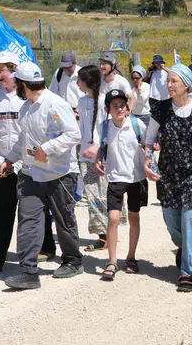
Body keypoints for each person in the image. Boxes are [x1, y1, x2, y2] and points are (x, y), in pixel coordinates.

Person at [0, 62, 84, 290]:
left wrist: (49, 148)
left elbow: (74, 134)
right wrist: (9, 159)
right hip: (30, 175)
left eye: (17, 83)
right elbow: (22, 140)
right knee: (28, 221)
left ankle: (73, 261)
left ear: (23, 85)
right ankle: (28, 272)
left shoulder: (56, 104)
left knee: (64, 221)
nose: (15, 86)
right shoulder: (26, 108)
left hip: (58, 175)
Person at [144, 64, 192, 292]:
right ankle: (185, 248)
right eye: (168, 81)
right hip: (168, 174)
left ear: (186, 84)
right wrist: (147, 163)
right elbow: (149, 139)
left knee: (191, 220)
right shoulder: (161, 109)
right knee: (172, 221)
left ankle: (187, 271)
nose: (169, 85)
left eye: (173, 81)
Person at [0, 52, 46, 272]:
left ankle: (45, 248)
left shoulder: (29, 97)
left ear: (13, 70)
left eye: (0, 71)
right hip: (2, 164)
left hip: (30, 165)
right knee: (0, 211)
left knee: (34, 211)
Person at [95, 89, 148, 280]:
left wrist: (149, 163)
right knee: (113, 218)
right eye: (114, 106)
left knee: (134, 218)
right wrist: (97, 160)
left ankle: (131, 257)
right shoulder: (104, 126)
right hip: (115, 178)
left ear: (127, 108)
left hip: (136, 178)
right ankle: (112, 261)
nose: (119, 109)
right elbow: (99, 147)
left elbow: (148, 144)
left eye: (122, 105)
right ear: (108, 109)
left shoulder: (136, 124)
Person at [77, 65, 127, 251]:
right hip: (85, 154)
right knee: (91, 194)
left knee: (106, 193)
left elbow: (104, 128)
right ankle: (102, 235)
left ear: (88, 82)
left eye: (80, 80)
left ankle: (109, 234)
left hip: (104, 155)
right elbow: (82, 128)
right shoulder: (82, 102)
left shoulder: (104, 102)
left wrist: (98, 148)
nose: (77, 84)